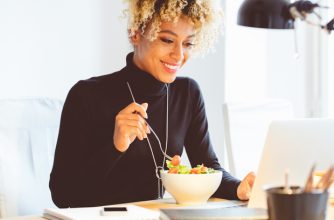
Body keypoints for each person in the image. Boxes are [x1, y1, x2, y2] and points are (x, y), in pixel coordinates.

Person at [49, 0, 255, 208]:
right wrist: (115, 147)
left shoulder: (188, 93)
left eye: (188, 43)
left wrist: (239, 188)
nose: (179, 55)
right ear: (135, 33)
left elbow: (208, 168)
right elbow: (63, 194)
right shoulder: (87, 95)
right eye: (167, 40)